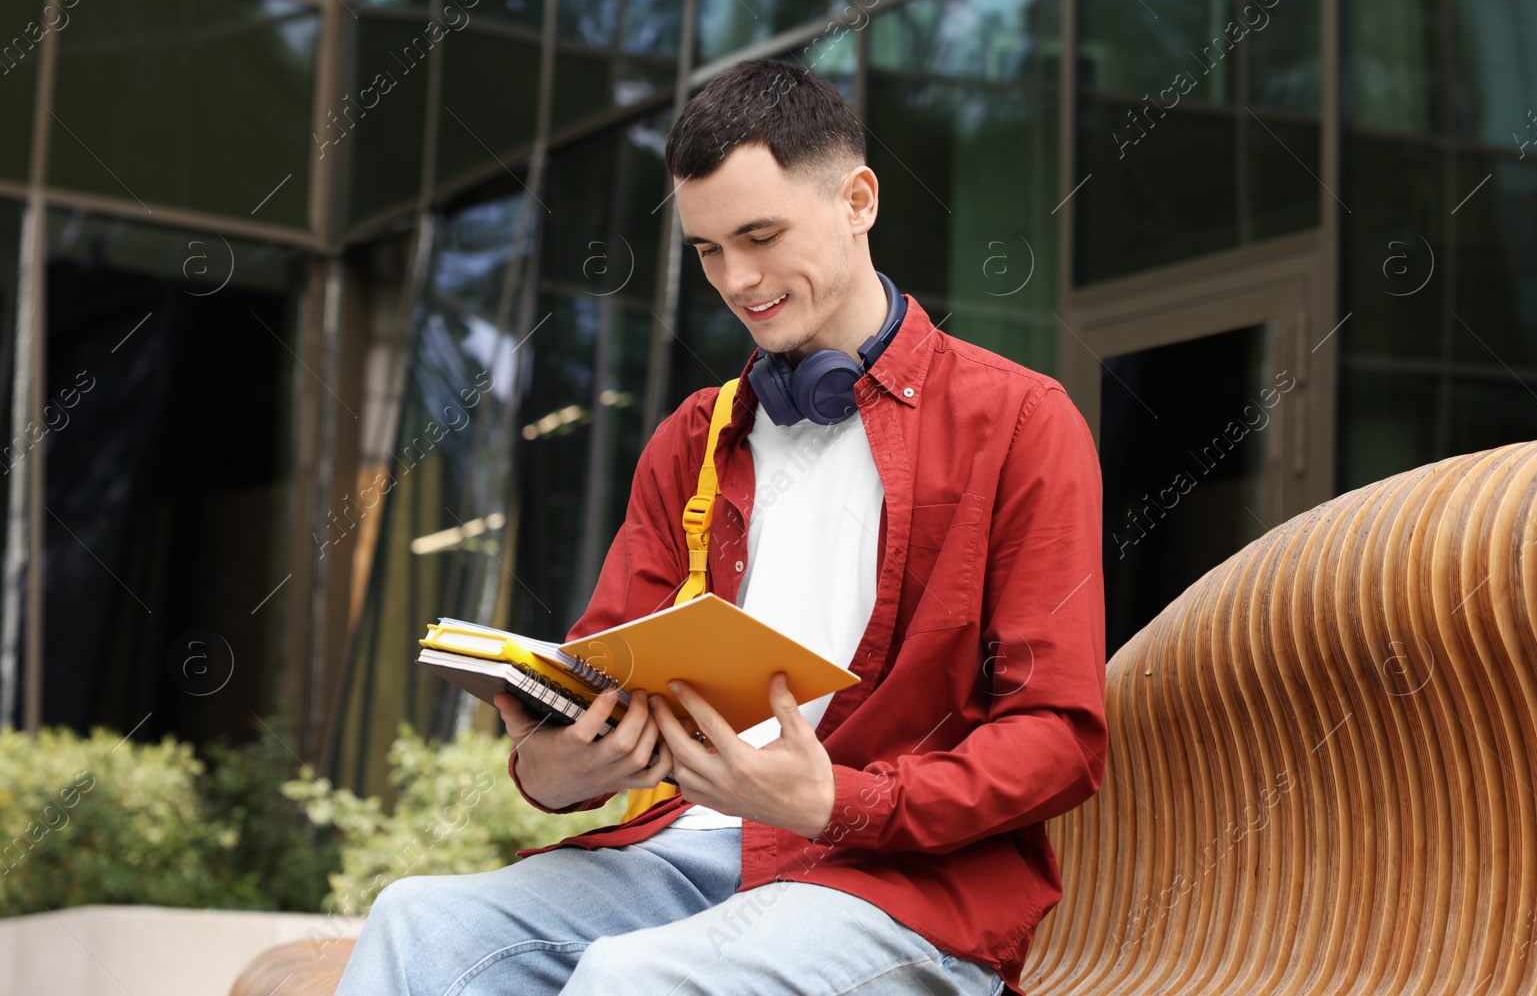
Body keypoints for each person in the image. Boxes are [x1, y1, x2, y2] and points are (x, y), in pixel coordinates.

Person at [336, 58, 1106, 996]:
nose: (739, 280)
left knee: (633, 977)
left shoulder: (1022, 422)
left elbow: (1057, 735)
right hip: (681, 856)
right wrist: (559, 762)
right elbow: (594, 672)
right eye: (707, 251)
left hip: (898, 892)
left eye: (761, 235)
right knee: (418, 922)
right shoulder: (692, 438)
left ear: (858, 199)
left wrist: (839, 799)